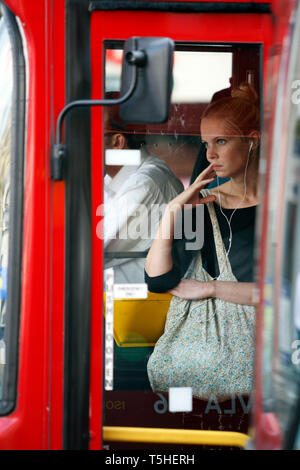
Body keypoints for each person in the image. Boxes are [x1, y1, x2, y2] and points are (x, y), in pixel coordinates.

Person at [145, 83, 260, 409]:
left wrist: (211, 289)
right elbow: (158, 281)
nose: (210, 154)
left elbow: (282, 294)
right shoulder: (202, 206)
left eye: (221, 142)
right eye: (205, 144)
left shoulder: (283, 210)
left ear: (253, 139)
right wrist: (172, 211)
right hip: (194, 390)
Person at [103, 105, 184, 284]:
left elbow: (94, 250)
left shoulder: (144, 183)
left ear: (117, 142)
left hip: (137, 302)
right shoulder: (115, 177)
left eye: (90, 135)